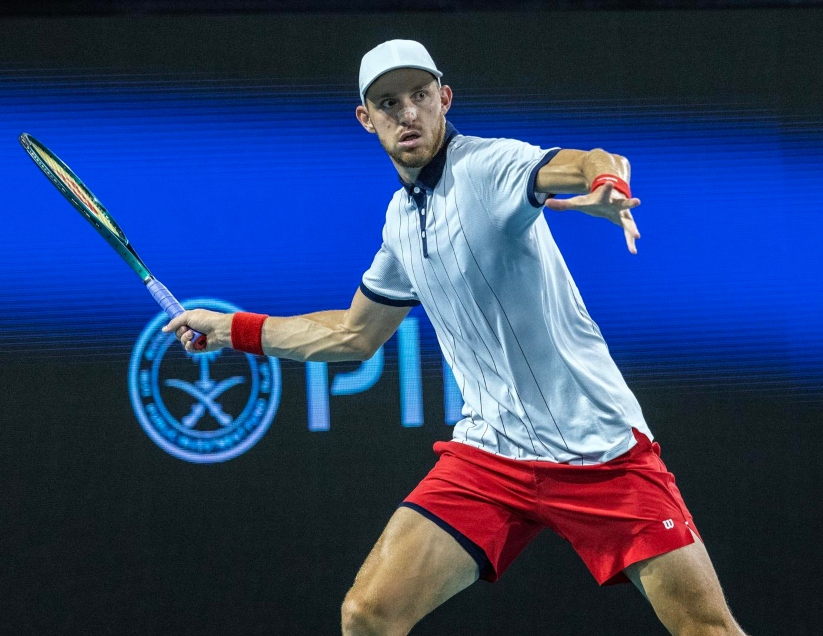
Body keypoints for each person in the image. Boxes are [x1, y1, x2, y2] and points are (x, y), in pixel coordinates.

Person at [163, 39, 747, 636]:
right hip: (490, 455)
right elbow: (354, 333)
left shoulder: (490, 167)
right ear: (366, 119)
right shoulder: (399, 220)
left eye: (419, 96)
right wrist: (231, 329)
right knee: (367, 616)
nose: (407, 114)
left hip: (599, 452)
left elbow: (586, 160)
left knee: (706, 628)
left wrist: (605, 182)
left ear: (444, 99)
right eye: (388, 104)